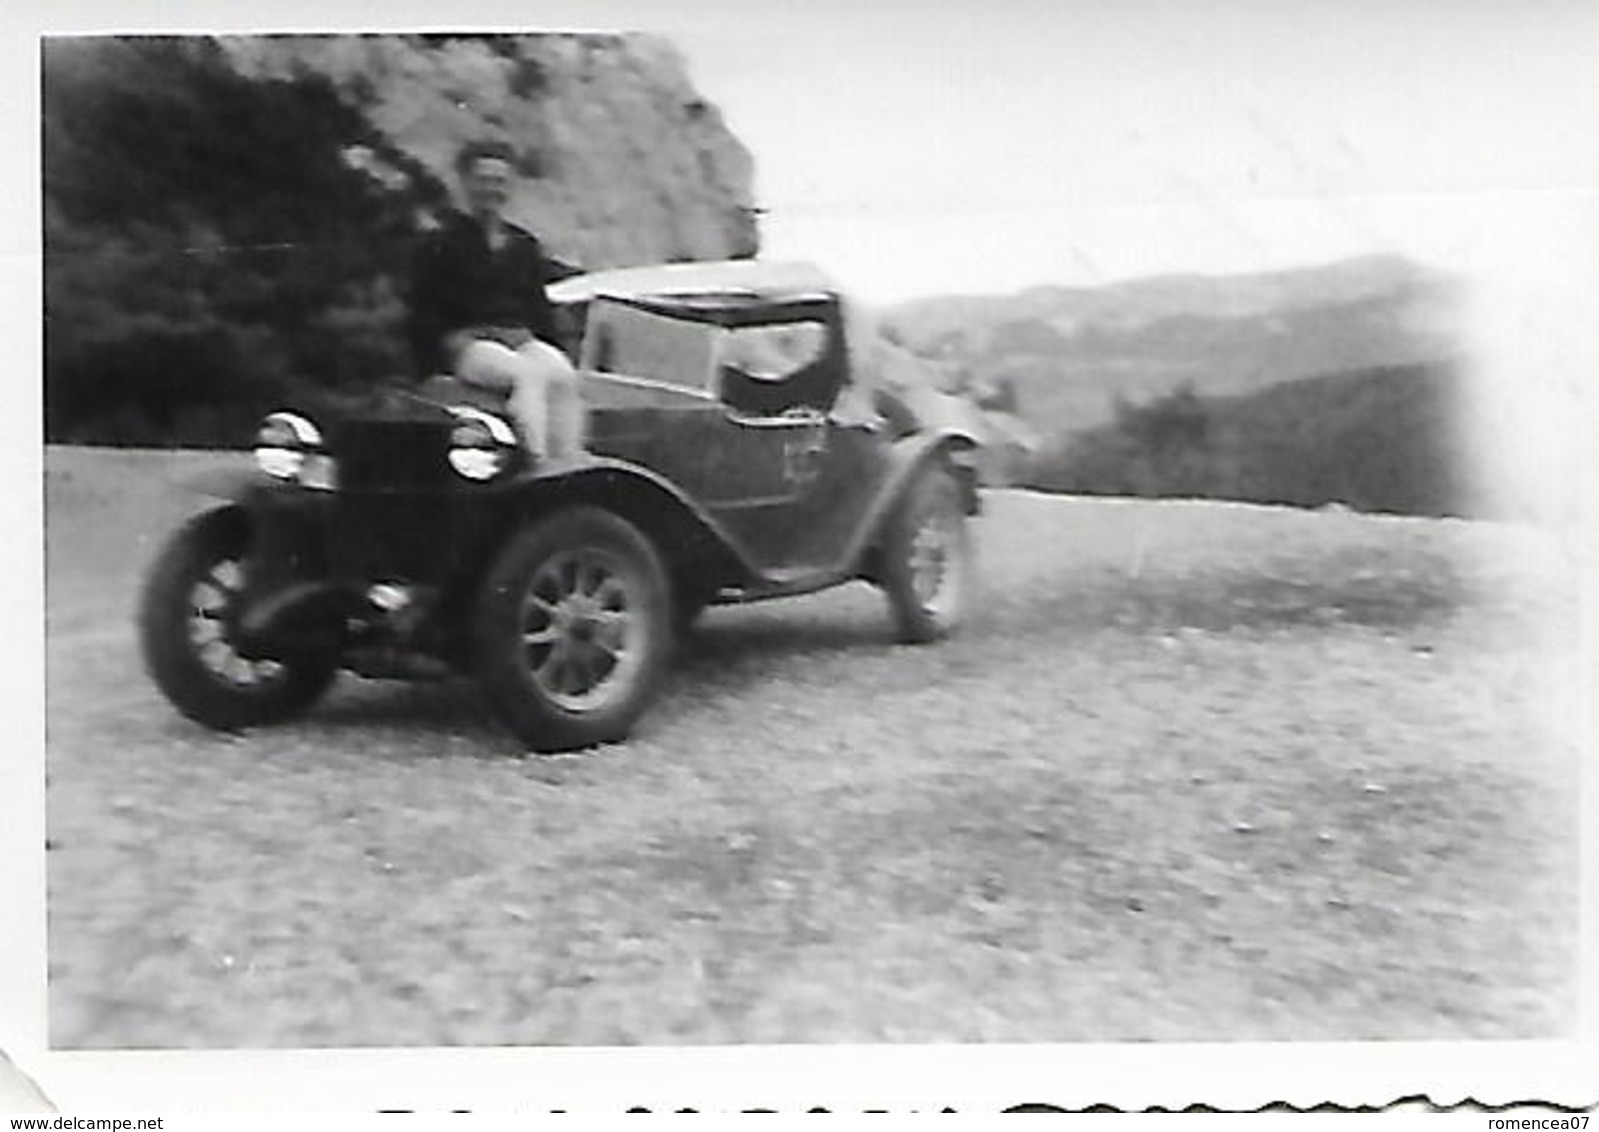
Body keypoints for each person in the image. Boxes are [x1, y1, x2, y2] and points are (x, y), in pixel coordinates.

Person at [406, 139, 584, 460]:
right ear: (466, 182)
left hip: (516, 339)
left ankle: (568, 459)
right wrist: (441, 349)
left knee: (562, 374)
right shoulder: (441, 242)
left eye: (499, 181)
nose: (491, 189)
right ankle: (536, 459)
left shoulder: (522, 244)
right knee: (525, 376)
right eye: (483, 180)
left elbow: (537, 306)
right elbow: (422, 307)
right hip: (470, 345)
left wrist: (539, 340)